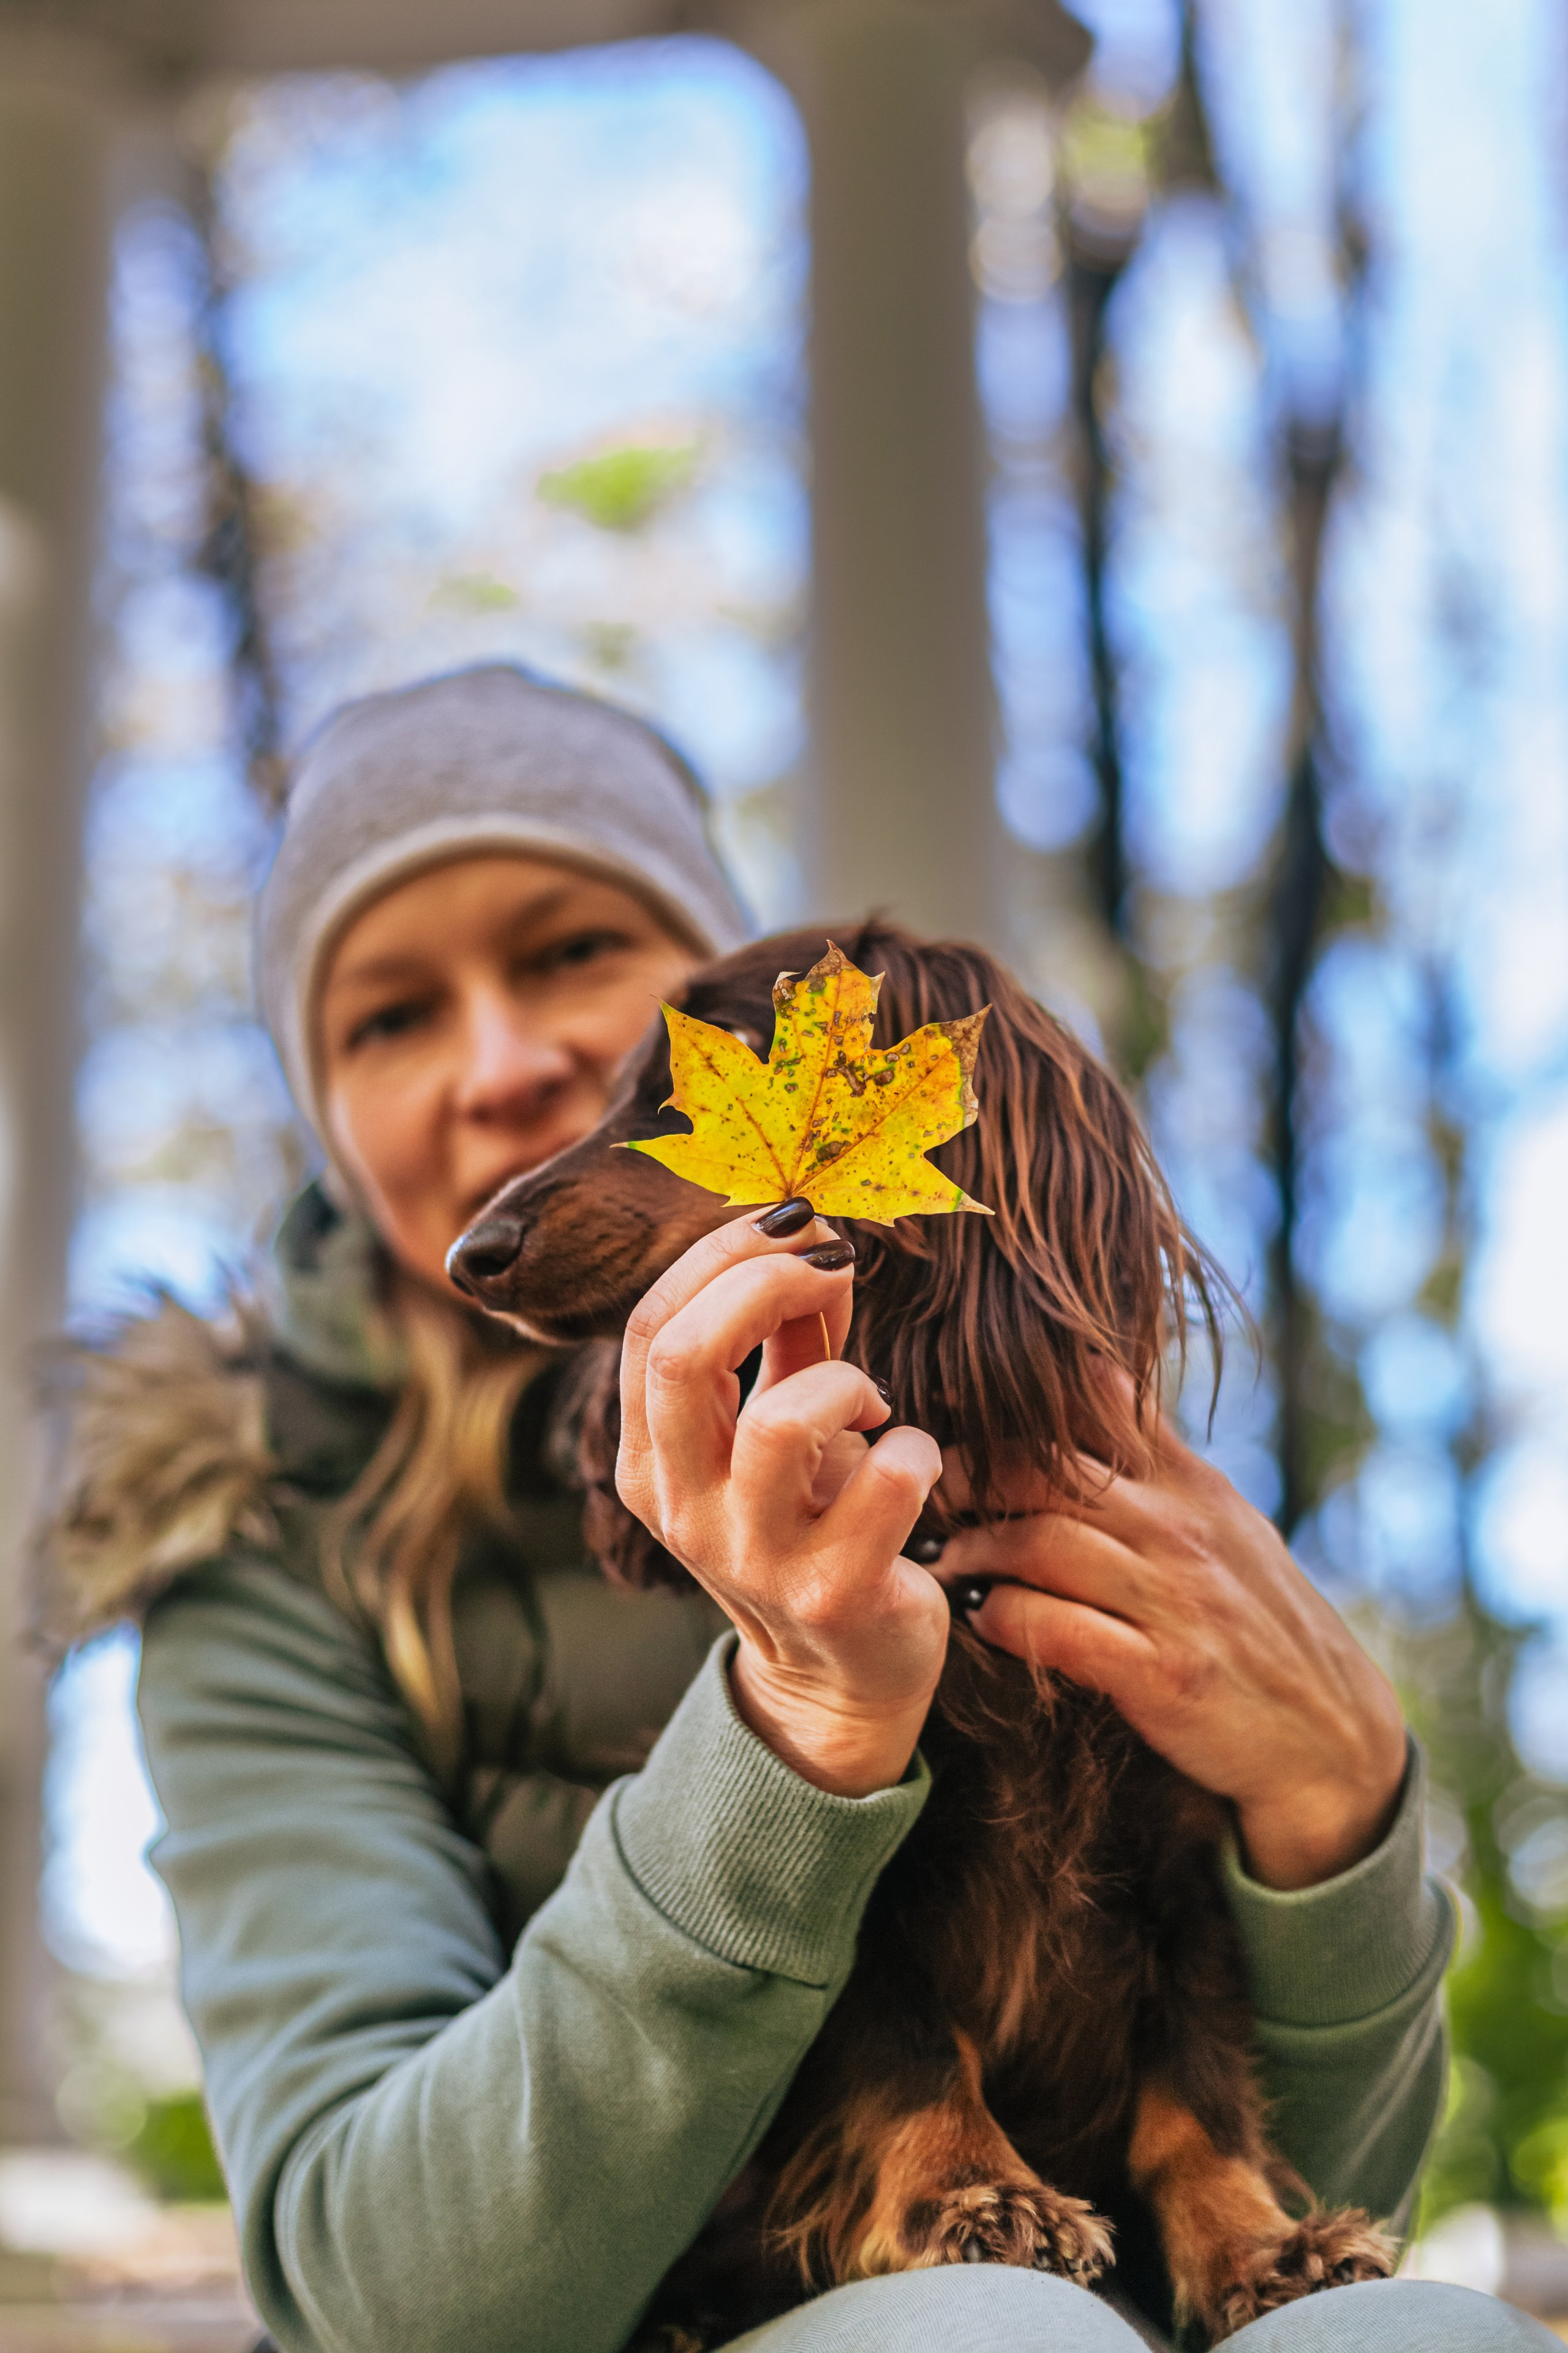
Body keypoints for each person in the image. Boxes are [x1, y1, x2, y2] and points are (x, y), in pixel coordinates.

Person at [40, 664, 1546, 2352]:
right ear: (325, 1122)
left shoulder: (1059, 1473)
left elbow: (1342, 2212)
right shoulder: (258, 1558)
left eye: (573, 953)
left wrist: (1341, 1806)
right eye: (388, 1015)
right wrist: (796, 1735)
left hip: (1107, 2281)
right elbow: (375, 2296)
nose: (506, 1059)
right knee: (998, 2339)